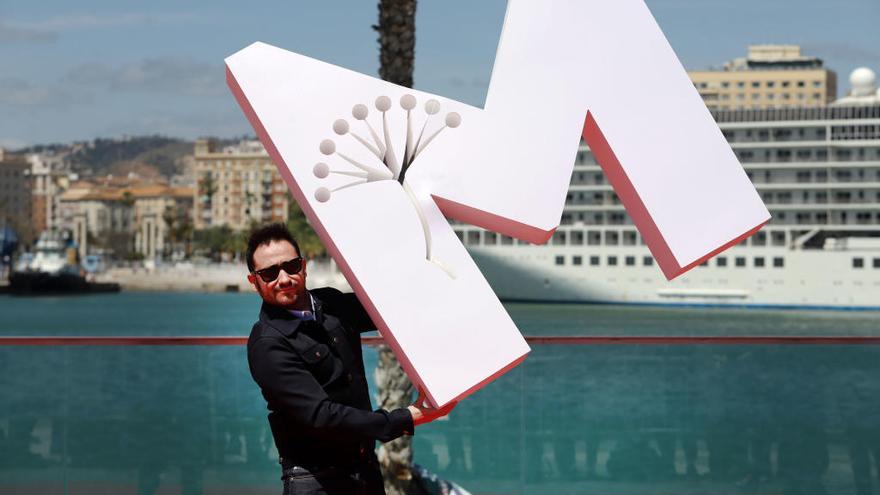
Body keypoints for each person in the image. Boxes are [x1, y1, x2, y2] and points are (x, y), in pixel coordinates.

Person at [245, 223, 455, 494]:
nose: (284, 278)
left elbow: (391, 306)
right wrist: (405, 418)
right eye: (270, 272)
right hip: (316, 481)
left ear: (304, 265)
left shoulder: (331, 303)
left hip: (365, 469)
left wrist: (431, 261)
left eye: (292, 266)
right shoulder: (267, 344)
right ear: (254, 281)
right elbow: (321, 416)